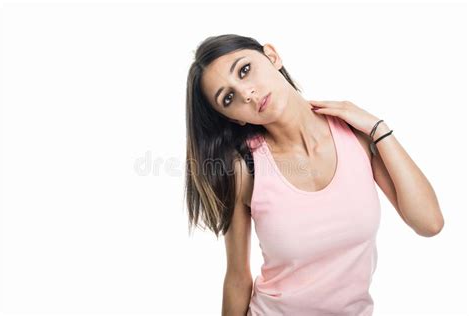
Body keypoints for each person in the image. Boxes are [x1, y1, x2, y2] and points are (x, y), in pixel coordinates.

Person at [184, 34, 444, 316]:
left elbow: (429, 223)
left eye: (244, 70)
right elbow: (237, 278)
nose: (247, 94)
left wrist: (379, 130)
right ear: (236, 118)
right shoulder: (245, 169)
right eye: (229, 97)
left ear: (272, 56)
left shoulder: (356, 136)